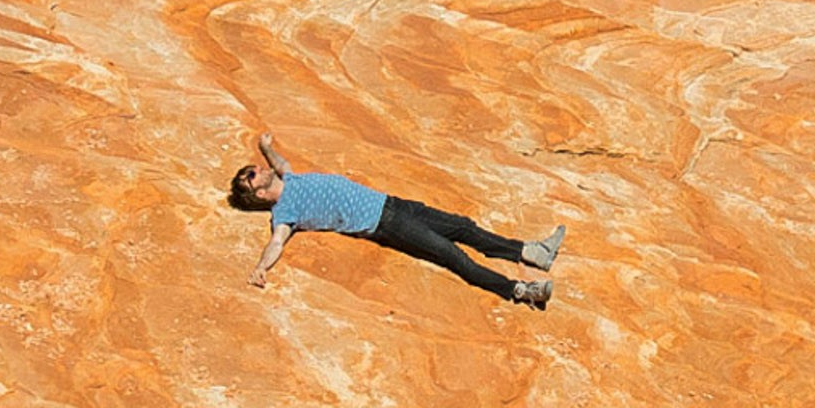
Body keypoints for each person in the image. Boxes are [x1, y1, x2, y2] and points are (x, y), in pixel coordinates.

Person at [229, 135, 565, 309]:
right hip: (385, 225)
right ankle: (521, 292)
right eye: (251, 175)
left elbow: (281, 160)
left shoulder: (291, 179)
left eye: (253, 168)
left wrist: (265, 147)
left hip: (392, 203)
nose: (256, 169)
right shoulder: (284, 213)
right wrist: (261, 268)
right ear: (257, 194)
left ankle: (532, 252)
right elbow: (276, 243)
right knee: (452, 256)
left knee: (463, 226)